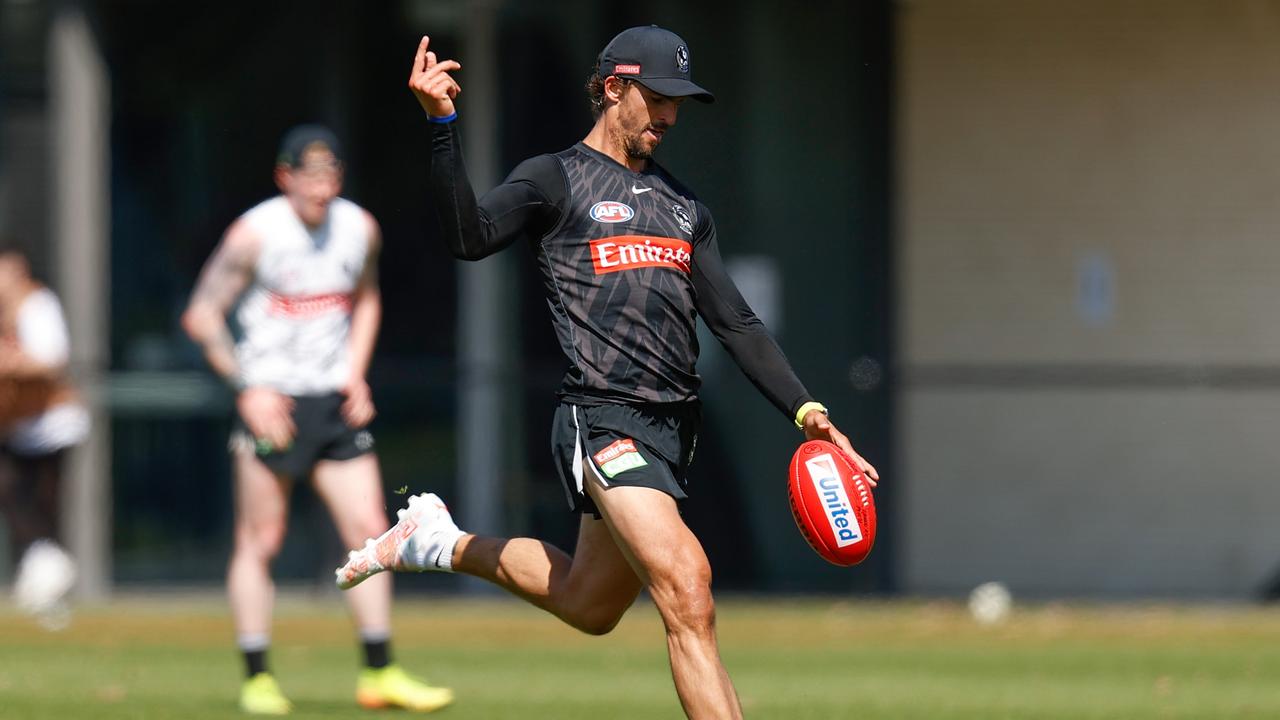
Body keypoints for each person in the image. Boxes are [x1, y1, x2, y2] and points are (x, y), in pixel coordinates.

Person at [336, 27, 880, 719]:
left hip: (670, 429)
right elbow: (467, 235)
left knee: (589, 604)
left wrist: (811, 415)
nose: (670, 116)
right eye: (657, 98)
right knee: (688, 586)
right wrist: (442, 125)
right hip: (600, 418)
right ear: (613, 87)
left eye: (678, 102)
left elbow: (738, 325)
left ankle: (435, 540)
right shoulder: (553, 178)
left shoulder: (685, 209)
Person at [181, 126, 453, 715]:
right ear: (284, 177)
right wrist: (247, 389)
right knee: (262, 540)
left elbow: (367, 296)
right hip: (272, 401)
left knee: (373, 531)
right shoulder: (256, 234)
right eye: (310, 175)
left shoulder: (359, 228)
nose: (322, 188)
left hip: (332, 401)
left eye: (331, 174)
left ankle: (379, 672)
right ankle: (257, 676)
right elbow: (202, 315)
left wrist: (355, 372)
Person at [0, 249, 89, 629]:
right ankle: (46, 575)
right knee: (17, 501)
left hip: (50, 423)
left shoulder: (38, 304)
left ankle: (51, 586)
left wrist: (11, 364)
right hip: (15, 425)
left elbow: (52, 359)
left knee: (43, 507)